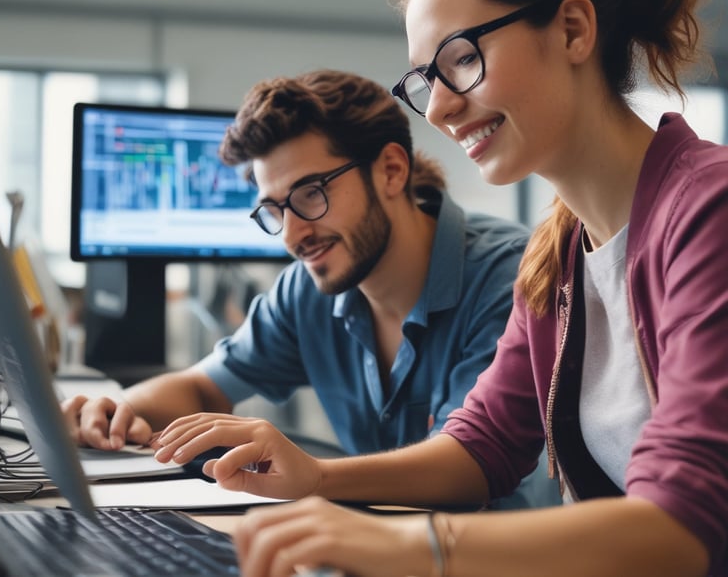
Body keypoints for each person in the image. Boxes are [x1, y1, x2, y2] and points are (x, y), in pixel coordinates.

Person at [152, 0, 728, 575]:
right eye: (427, 79)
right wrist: (315, 477)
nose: (439, 111)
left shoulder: (708, 210)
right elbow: (482, 447)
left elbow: (680, 523)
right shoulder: (557, 253)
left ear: (572, 30)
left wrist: (415, 546)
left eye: (462, 60)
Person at [62, 69, 559, 509]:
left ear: (391, 169)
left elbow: (468, 467)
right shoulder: (308, 288)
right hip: (377, 545)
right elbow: (202, 385)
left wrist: (313, 477)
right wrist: (121, 408)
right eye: (275, 210)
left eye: (311, 195)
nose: (291, 235)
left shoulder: (510, 275)